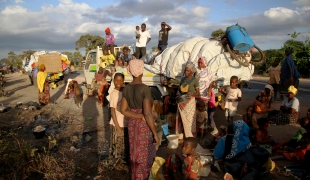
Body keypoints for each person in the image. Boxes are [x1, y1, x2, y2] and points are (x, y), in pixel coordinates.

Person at [120, 59, 159, 180]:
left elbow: (124, 110)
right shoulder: (145, 88)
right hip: (144, 125)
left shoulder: (126, 88)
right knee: (144, 153)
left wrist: (137, 116)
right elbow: (147, 113)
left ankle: (135, 176)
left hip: (132, 123)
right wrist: (155, 133)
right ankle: (143, 177)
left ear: (131, 72)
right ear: (142, 71)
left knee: (135, 150)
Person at [109, 73, 129, 164]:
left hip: (126, 122)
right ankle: (118, 162)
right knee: (118, 143)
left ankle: (123, 160)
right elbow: (112, 111)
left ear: (123, 81)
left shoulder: (125, 91)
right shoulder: (114, 93)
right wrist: (117, 127)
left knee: (125, 143)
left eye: (121, 80)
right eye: (116, 80)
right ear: (113, 81)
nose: (118, 82)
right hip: (118, 123)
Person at [176, 63, 199, 138]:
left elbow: (198, 93)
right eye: (185, 70)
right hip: (182, 102)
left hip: (190, 103)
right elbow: (179, 90)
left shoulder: (195, 80)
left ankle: (189, 136)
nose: (186, 72)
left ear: (192, 71)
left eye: (188, 71)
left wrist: (192, 94)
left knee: (189, 120)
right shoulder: (183, 79)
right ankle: (182, 134)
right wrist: (178, 94)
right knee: (182, 119)